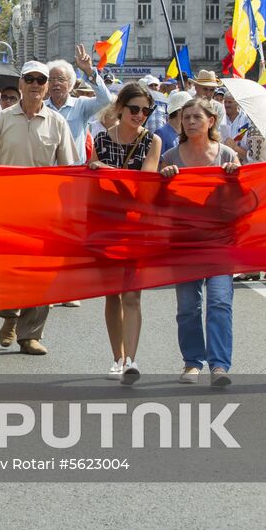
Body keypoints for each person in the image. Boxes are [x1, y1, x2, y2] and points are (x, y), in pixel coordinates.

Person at [0, 61, 78, 356]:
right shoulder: (4, 119)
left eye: (40, 80)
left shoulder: (57, 122)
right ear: (20, 84)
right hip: (8, 208)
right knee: (8, 270)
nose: (35, 84)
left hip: (45, 211)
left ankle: (30, 335)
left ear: (47, 87)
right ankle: (9, 314)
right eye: (29, 79)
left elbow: (68, 169)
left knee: (41, 274)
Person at [158, 97, 242, 387]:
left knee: (219, 302)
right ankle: (192, 362)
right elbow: (159, 204)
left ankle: (219, 365)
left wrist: (235, 179)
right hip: (183, 241)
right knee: (187, 306)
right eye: (186, 117)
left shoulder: (227, 155)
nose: (191, 122)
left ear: (211, 121)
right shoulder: (169, 157)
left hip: (219, 241)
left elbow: (240, 201)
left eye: (197, 117)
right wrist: (164, 180)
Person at [87, 82, 163, 382]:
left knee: (132, 295)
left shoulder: (152, 141)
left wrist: (107, 172)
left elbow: (145, 184)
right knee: (111, 296)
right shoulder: (102, 140)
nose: (140, 115)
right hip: (106, 225)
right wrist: (101, 171)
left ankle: (131, 359)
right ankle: (116, 358)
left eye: (146, 110)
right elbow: (93, 182)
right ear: (120, 108)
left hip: (136, 225)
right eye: (135, 109)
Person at [45, 45, 114, 163]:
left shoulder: (80, 105)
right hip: (47, 172)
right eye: (51, 80)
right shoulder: (41, 108)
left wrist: (88, 71)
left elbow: (105, 99)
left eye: (61, 79)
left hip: (74, 173)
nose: (55, 83)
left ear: (70, 83)